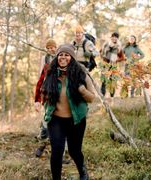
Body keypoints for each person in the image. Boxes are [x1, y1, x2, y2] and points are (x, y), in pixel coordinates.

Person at [42, 44, 95, 180]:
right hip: (56, 120)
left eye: (66, 55)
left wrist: (82, 90)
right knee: (57, 151)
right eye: (60, 54)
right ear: (57, 57)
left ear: (72, 57)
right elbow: (44, 92)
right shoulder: (51, 73)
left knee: (74, 150)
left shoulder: (81, 73)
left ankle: (82, 171)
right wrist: (46, 107)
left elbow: (92, 98)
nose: (63, 57)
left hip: (76, 119)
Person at [34, 39, 57, 157]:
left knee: (59, 125)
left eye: (52, 47)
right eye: (48, 48)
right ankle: (42, 144)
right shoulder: (45, 60)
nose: (50, 49)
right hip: (48, 96)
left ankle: (60, 152)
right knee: (46, 121)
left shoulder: (61, 58)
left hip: (60, 98)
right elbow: (40, 80)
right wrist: (37, 100)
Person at [99, 32, 124, 98]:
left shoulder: (118, 47)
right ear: (111, 37)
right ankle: (102, 96)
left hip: (113, 66)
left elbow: (122, 58)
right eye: (113, 36)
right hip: (105, 64)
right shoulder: (106, 44)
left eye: (116, 37)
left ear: (117, 39)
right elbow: (100, 52)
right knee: (103, 80)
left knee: (112, 80)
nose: (114, 38)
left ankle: (112, 96)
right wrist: (103, 57)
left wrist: (116, 60)